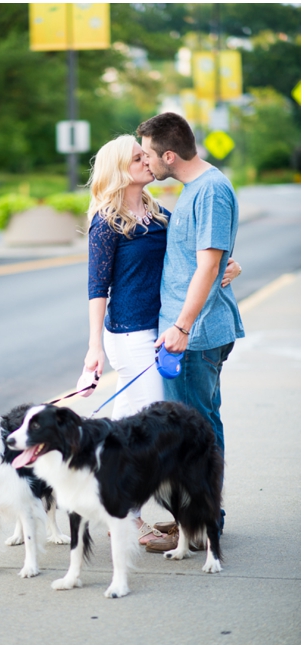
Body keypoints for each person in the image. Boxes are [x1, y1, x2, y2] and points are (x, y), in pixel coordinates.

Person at [83, 133, 241, 547]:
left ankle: (100, 499)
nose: (147, 163)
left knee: (122, 426)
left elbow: (193, 258)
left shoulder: (158, 214)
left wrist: (227, 265)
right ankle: (129, 516)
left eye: (146, 155)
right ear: (120, 168)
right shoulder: (106, 221)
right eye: (138, 158)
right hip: (130, 335)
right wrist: (94, 347)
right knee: (151, 429)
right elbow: (97, 288)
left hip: (160, 330)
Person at [137, 112, 245, 547]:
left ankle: (202, 524)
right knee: (195, 427)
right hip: (189, 332)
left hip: (196, 336)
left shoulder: (211, 190)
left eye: (147, 153)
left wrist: (181, 327)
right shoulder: (196, 189)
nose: (145, 162)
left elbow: (207, 264)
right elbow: (211, 259)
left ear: (168, 154)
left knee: (197, 430)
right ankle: (197, 518)